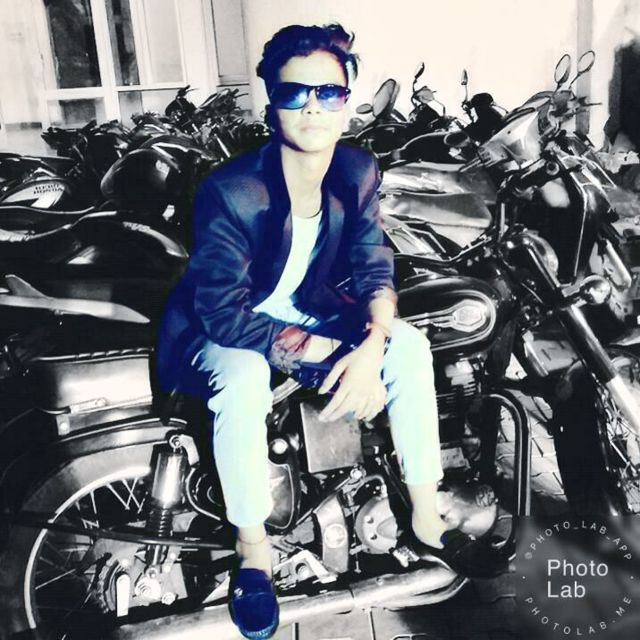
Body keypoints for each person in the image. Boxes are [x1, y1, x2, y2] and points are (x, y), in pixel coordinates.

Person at [157, 23, 451, 640]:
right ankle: (253, 551)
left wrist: (371, 346)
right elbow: (222, 310)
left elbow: (373, 265)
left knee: (410, 345)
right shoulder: (233, 191)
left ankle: (426, 512)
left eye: (329, 92)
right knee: (244, 378)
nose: (313, 107)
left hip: (303, 308)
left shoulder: (357, 170)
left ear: (346, 102)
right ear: (272, 103)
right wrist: (327, 351)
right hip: (223, 323)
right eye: (295, 93)